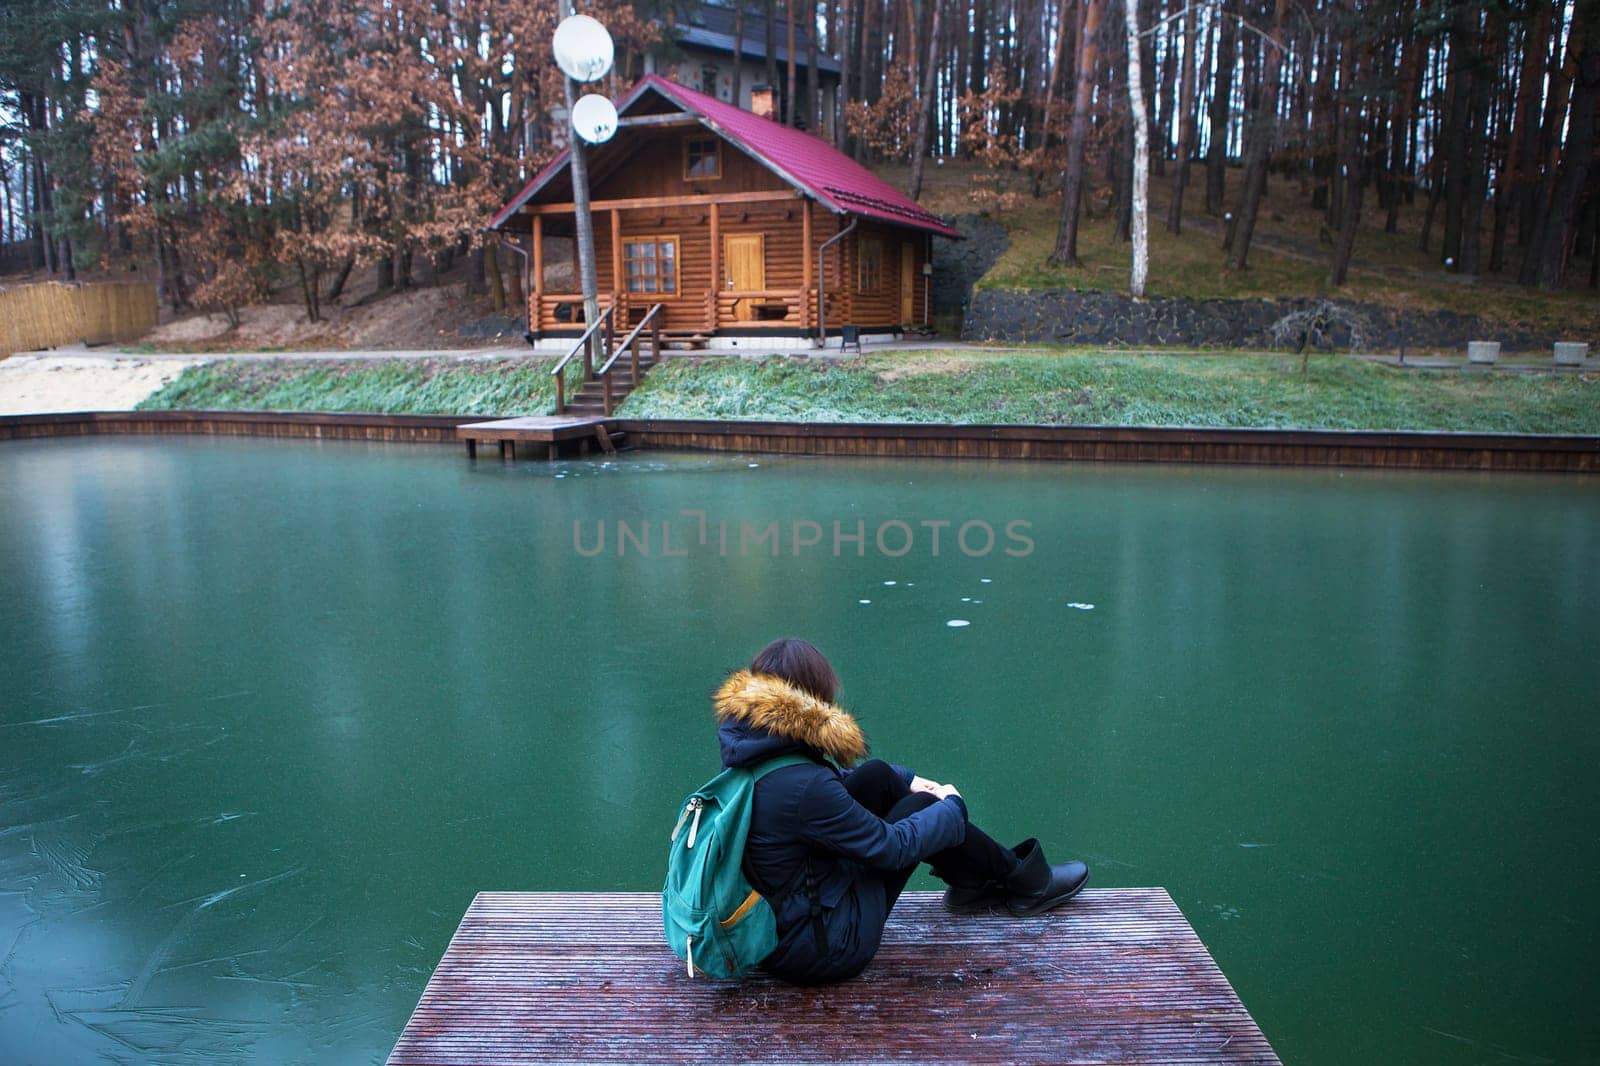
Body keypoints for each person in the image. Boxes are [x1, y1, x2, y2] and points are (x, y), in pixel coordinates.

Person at [714, 637, 1090, 986]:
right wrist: (952, 808)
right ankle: (1021, 884)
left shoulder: (750, 753)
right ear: (812, 699)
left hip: (778, 926)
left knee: (876, 777)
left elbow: (827, 781)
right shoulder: (805, 788)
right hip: (823, 949)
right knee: (926, 809)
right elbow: (890, 847)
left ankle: (980, 883)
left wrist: (906, 778)